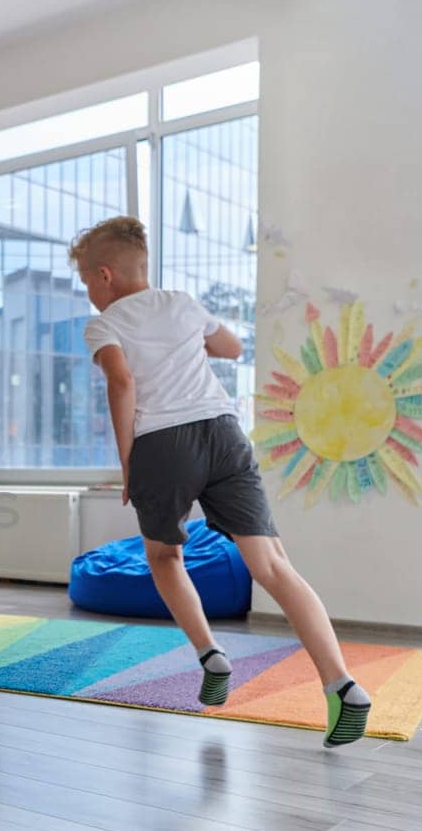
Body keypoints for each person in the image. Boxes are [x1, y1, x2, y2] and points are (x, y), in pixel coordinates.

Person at [74, 215, 370, 747]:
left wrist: (127, 464)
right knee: (274, 566)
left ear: (104, 276)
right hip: (224, 432)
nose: (89, 294)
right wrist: (189, 342)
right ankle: (342, 684)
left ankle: (210, 655)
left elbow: (122, 381)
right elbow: (231, 348)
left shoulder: (104, 324)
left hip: (163, 446)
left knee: (164, 557)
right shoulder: (183, 304)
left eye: (86, 283)